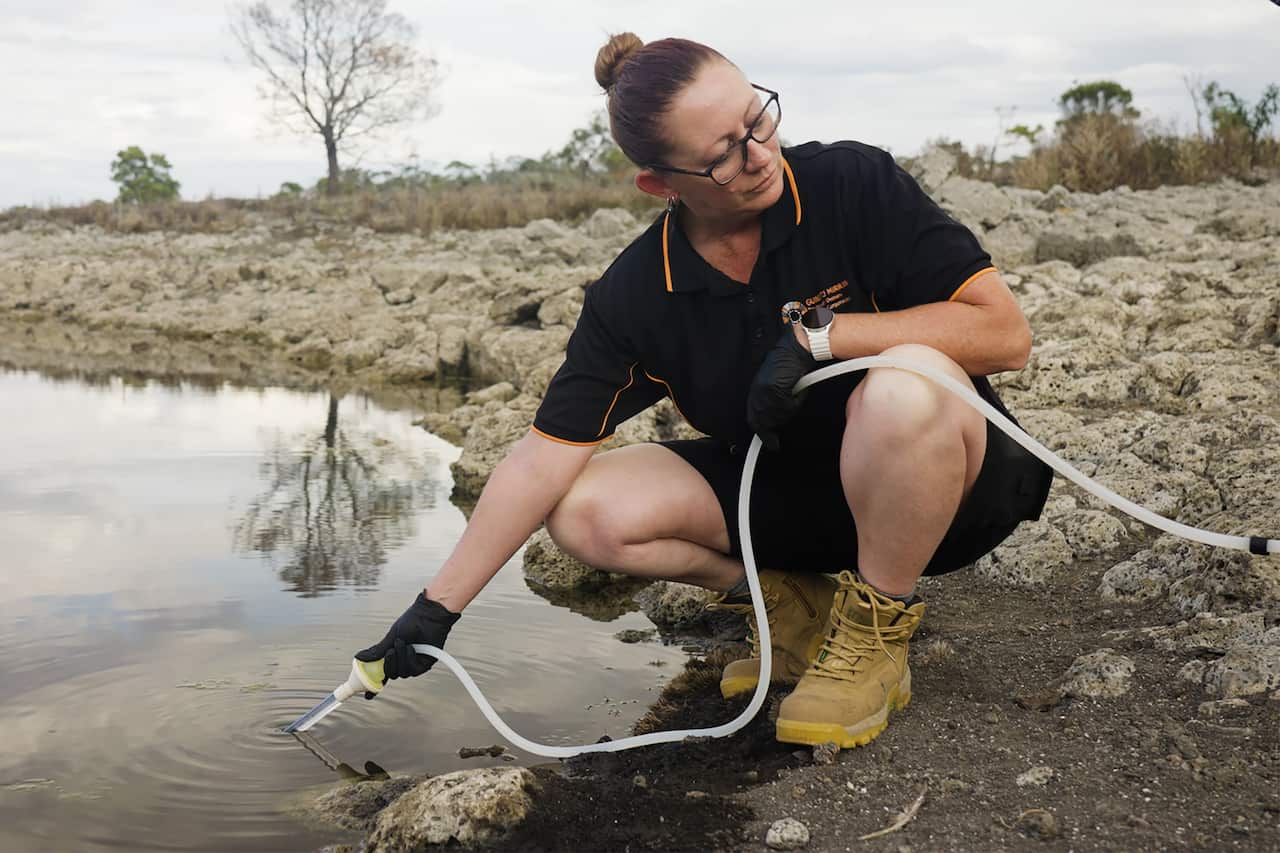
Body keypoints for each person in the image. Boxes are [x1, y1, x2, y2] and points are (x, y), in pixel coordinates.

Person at [356, 33, 1053, 750]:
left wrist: (824, 337)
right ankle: (797, 608)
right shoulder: (637, 292)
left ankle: (875, 633)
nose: (760, 154)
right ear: (661, 184)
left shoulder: (850, 183)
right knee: (584, 512)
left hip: (951, 493)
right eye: (723, 154)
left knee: (902, 385)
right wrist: (435, 610)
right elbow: (540, 459)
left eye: (758, 119)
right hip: (794, 507)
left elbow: (1005, 335)